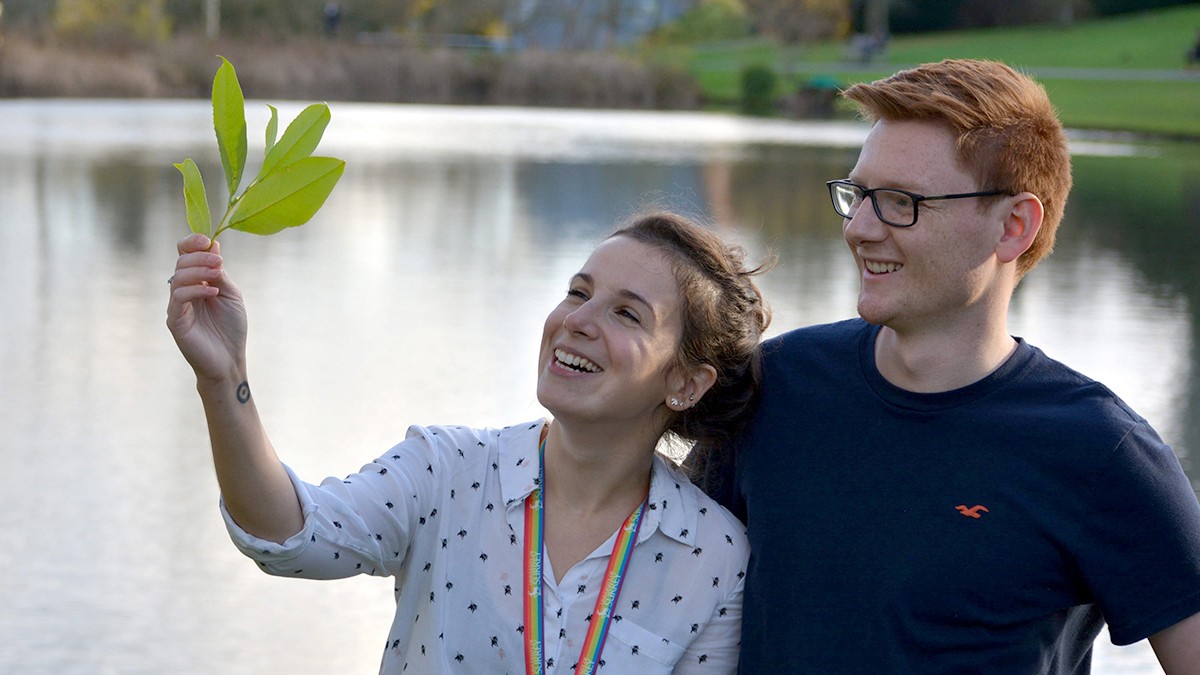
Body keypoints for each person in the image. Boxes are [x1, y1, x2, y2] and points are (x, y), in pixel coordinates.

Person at [690, 59, 1200, 673]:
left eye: (902, 202)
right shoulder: (777, 384)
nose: (859, 228)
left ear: (1013, 226)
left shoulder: (1100, 450)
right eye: (858, 196)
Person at [166, 211, 771, 674]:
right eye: (579, 292)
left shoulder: (714, 556)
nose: (578, 321)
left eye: (627, 314)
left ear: (686, 383)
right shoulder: (447, 470)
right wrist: (224, 380)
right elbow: (288, 535)